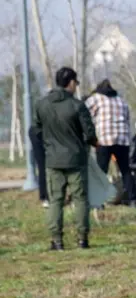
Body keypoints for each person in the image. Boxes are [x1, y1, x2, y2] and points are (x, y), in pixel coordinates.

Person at [32, 67, 97, 250]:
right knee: (81, 199)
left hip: (52, 160)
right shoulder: (77, 105)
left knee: (55, 201)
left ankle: (56, 240)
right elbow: (89, 133)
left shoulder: (41, 104)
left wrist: (47, 145)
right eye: (76, 82)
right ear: (70, 82)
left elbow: (36, 130)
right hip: (76, 159)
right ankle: (82, 239)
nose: (76, 86)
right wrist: (92, 143)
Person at [85, 79, 136, 208]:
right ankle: (133, 200)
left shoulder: (96, 98)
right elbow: (126, 119)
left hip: (104, 139)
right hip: (122, 139)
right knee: (125, 170)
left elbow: (84, 114)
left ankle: (98, 202)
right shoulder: (121, 101)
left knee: (102, 170)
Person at [28, 126, 48, 207]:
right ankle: (45, 197)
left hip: (40, 130)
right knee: (43, 166)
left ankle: (45, 197)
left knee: (43, 167)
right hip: (41, 131)